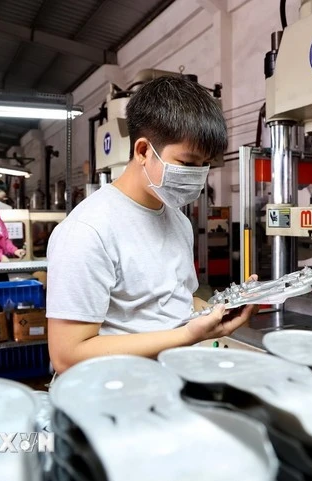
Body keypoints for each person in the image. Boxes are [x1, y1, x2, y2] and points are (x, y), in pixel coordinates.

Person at [46, 76, 258, 374]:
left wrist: (221, 308)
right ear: (143, 151)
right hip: (112, 398)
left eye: (204, 165)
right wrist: (186, 336)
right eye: (188, 163)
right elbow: (67, 356)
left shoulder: (179, 221)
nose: (198, 175)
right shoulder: (88, 230)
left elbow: (176, 303)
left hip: (168, 384)